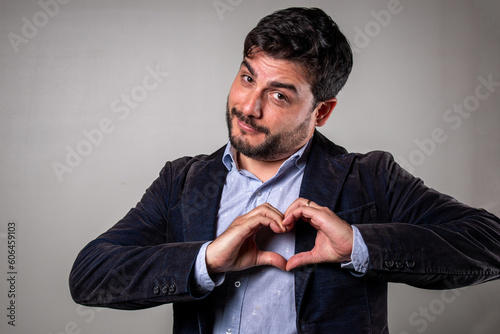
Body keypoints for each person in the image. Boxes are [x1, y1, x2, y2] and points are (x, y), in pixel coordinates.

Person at [69, 7, 500, 334]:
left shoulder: (370, 178)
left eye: (278, 96)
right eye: (246, 78)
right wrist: (206, 261)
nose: (248, 108)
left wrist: (359, 246)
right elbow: (91, 275)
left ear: (322, 111)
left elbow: (490, 242)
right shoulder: (181, 182)